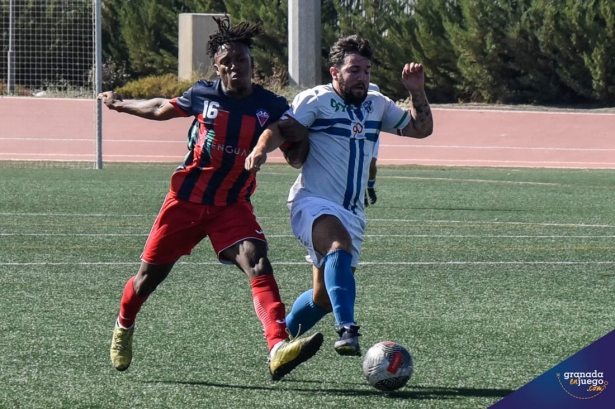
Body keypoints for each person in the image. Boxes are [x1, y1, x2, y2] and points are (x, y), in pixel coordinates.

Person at [98, 15, 322, 380]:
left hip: (231, 206)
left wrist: (302, 135)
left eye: (241, 60)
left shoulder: (272, 105)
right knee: (146, 280)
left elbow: (296, 158)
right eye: (227, 63)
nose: (235, 67)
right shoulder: (203, 94)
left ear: (252, 64)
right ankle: (124, 325)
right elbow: (159, 108)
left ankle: (277, 347)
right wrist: (121, 104)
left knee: (258, 262)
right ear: (217, 68)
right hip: (185, 202)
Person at [245, 35, 433, 356]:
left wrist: (416, 90)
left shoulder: (377, 104)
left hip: (353, 213)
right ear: (335, 72)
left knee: (323, 297)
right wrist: (261, 150)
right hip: (312, 202)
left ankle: (280, 338)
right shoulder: (315, 100)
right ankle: (348, 330)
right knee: (337, 245)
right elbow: (281, 129)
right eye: (354, 70)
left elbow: (420, 129)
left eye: (367, 71)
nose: (362, 77)